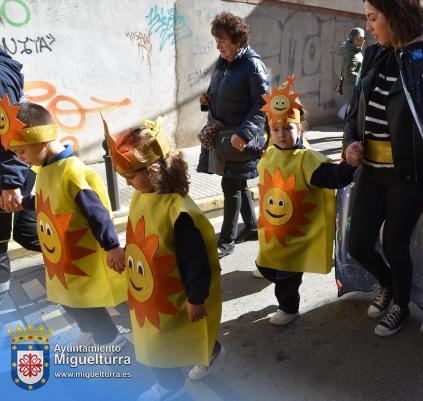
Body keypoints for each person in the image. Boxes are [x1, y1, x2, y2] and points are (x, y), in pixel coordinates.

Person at [344, 0, 423, 338]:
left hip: (408, 176)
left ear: (396, 16)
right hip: (371, 170)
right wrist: (350, 142)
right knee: (358, 244)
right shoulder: (373, 55)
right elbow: (355, 110)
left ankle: (400, 303)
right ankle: (386, 283)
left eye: (373, 18)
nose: (369, 27)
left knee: (397, 245)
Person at [104, 117, 223, 399]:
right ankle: (208, 350)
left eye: (131, 176)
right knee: (156, 338)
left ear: (154, 169)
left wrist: (196, 299)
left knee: (159, 344)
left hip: (173, 295)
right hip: (150, 291)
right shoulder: (143, 195)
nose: (128, 184)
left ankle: (173, 387)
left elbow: (195, 261)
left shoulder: (179, 212)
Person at [6, 102, 126, 347]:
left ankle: (111, 339)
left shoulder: (71, 171)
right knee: (65, 297)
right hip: (61, 255)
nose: (21, 159)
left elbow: (97, 213)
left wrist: (112, 246)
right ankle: (89, 332)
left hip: (79, 257)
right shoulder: (47, 168)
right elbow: (48, 200)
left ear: (41, 141)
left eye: (21, 152)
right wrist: (25, 203)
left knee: (83, 302)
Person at [248, 76, 362, 326]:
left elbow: (333, 178)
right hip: (274, 231)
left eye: (287, 128)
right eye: (275, 129)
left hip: (296, 236)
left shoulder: (307, 159)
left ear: (299, 129)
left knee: (287, 274)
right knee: (267, 265)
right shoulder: (270, 152)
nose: (281, 135)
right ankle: (274, 277)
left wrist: (349, 165)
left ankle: (289, 307)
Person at [197, 12, 270, 258]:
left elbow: (262, 104)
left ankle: (227, 240)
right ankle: (250, 227)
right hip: (223, 136)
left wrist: (245, 133)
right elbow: (216, 90)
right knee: (238, 182)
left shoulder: (252, 65)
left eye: (222, 40)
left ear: (238, 40)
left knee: (229, 185)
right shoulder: (223, 62)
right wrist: (207, 100)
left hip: (239, 138)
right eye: (216, 40)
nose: (218, 45)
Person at [0, 49, 40, 302]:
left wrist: (10, 183)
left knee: (23, 237)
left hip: (10, 173)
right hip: (14, 170)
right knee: (28, 234)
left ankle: (98, 257)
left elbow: (12, 132)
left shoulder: (0, 78)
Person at [340, 27, 366, 106]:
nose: (364, 40)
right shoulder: (352, 54)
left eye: (364, 38)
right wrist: (363, 77)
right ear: (355, 39)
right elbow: (348, 75)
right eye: (362, 38)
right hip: (351, 90)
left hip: (353, 88)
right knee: (353, 114)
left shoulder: (356, 51)